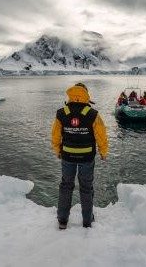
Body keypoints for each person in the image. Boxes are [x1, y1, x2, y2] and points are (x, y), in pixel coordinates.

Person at [51, 83, 108, 229]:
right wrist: (103, 151)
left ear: (71, 95)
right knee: (86, 188)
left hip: (67, 156)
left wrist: (57, 150)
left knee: (66, 186)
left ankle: (62, 220)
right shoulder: (93, 114)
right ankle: (87, 221)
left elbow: (55, 135)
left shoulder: (61, 112)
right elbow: (101, 135)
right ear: (86, 94)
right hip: (87, 157)